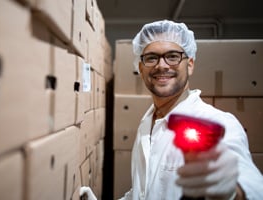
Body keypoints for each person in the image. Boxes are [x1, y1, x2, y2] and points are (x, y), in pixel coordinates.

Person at [81, 20, 263, 199]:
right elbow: (142, 193)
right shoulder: (147, 124)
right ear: (140, 68)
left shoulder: (218, 123)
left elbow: (254, 188)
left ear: (190, 64)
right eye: (151, 58)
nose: (162, 65)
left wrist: (234, 191)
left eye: (173, 56)